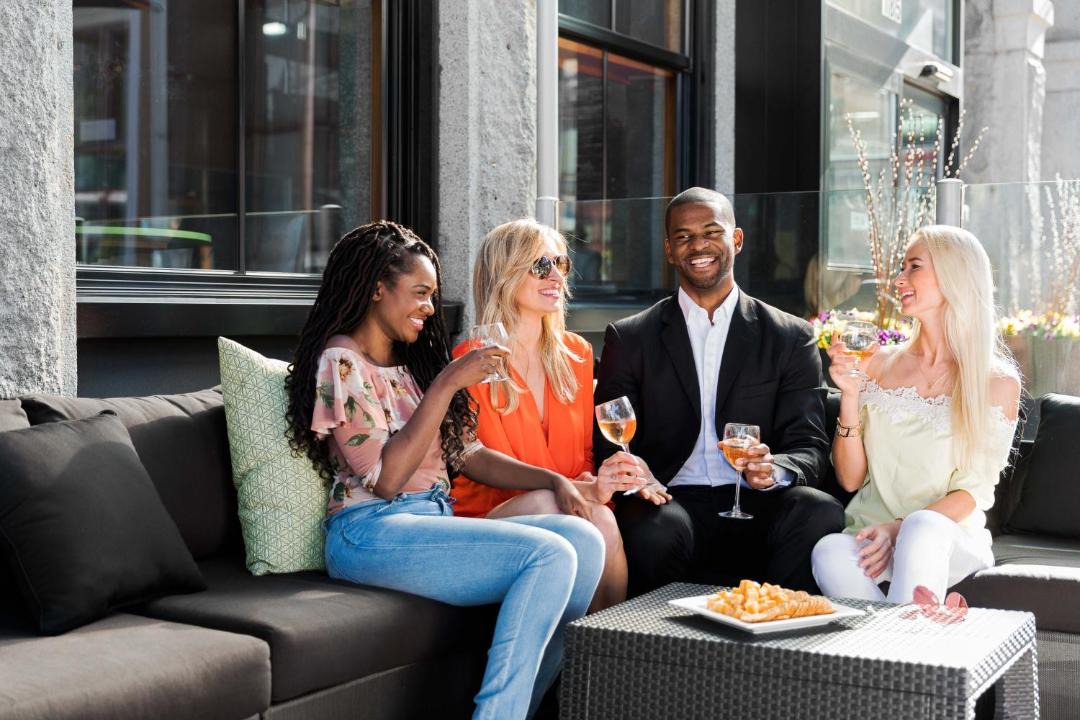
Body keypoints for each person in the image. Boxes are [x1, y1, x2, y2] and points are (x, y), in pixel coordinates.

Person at [284, 221, 605, 720]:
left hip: (431, 517)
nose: (430, 308)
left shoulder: (409, 365)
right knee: (549, 555)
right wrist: (447, 385)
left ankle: (520, 707)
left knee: (584, 542)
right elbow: (385, 480)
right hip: (368, 531)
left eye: (433, 295)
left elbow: (467, 455)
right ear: (375, 288)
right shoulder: (341, 361)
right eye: (419, 293)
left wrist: (552, 480)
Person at [594, 187, 845, 598]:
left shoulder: (789, 336)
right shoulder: (631, 337)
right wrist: (636, 475)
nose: (699, 246)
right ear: (669, 250)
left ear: (737, 240)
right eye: (684, 236)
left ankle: (771, 642)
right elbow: (607, 442)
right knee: (652, 528)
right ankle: (660, 653)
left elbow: (810, 446)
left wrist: (772, 469)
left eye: (712, 232)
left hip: (759, 500)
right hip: (669, 498)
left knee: (818, 509)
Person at [452, 219, 659, 611]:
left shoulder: (576, 354)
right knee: (567, 509)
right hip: (489, 518)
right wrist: (578, 489)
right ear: (504, 275)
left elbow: (581, 457)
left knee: (603, 521)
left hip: (568, 501)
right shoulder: (473, 360)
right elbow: (487, 471)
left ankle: (601, 655)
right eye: (539, 266)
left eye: (560, 264)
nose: (555, 277)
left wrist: (603, 479)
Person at [811, 226, 1021, 603]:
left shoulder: (995, 382)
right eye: (902, 267)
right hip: (874, 535)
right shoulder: (878, 364)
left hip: (946, 536)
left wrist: (899, 530)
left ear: (952, 275)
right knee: (827, 551)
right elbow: (849, 478)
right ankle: (912, 644)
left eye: (914, 267)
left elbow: (972, 493)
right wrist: (850, 395)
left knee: (922, 526)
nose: (899, 278)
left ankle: (905, 646)